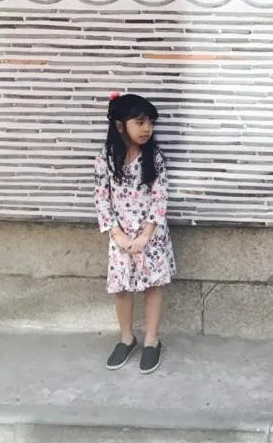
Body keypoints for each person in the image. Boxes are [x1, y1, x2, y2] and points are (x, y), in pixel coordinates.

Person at [94, 92, 176, 374]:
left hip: (150, 236)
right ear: (120, 125)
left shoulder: (154, 158)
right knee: (122, 288)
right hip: (121, 238)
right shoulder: (105, 159)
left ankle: (152, 340)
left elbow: (160, 199)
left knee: (153, 286)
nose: (146, 129)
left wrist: (145, 236)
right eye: (139, 122)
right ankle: (126, 338)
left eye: (150, 123)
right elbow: (101, 199)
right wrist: (117, 234)